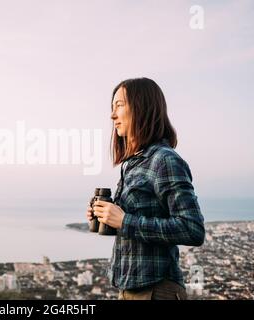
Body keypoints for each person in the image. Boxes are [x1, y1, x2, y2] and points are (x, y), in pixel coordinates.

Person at [86, 78, 205, 300]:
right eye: (112, 108)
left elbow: (193, 228)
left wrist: (124, 221)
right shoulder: (133, 163)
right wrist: (105, 216)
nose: (112, 116)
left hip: (157, 291)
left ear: (141, 107)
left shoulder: (164, 160)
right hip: (129, 290)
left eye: (119, 105)